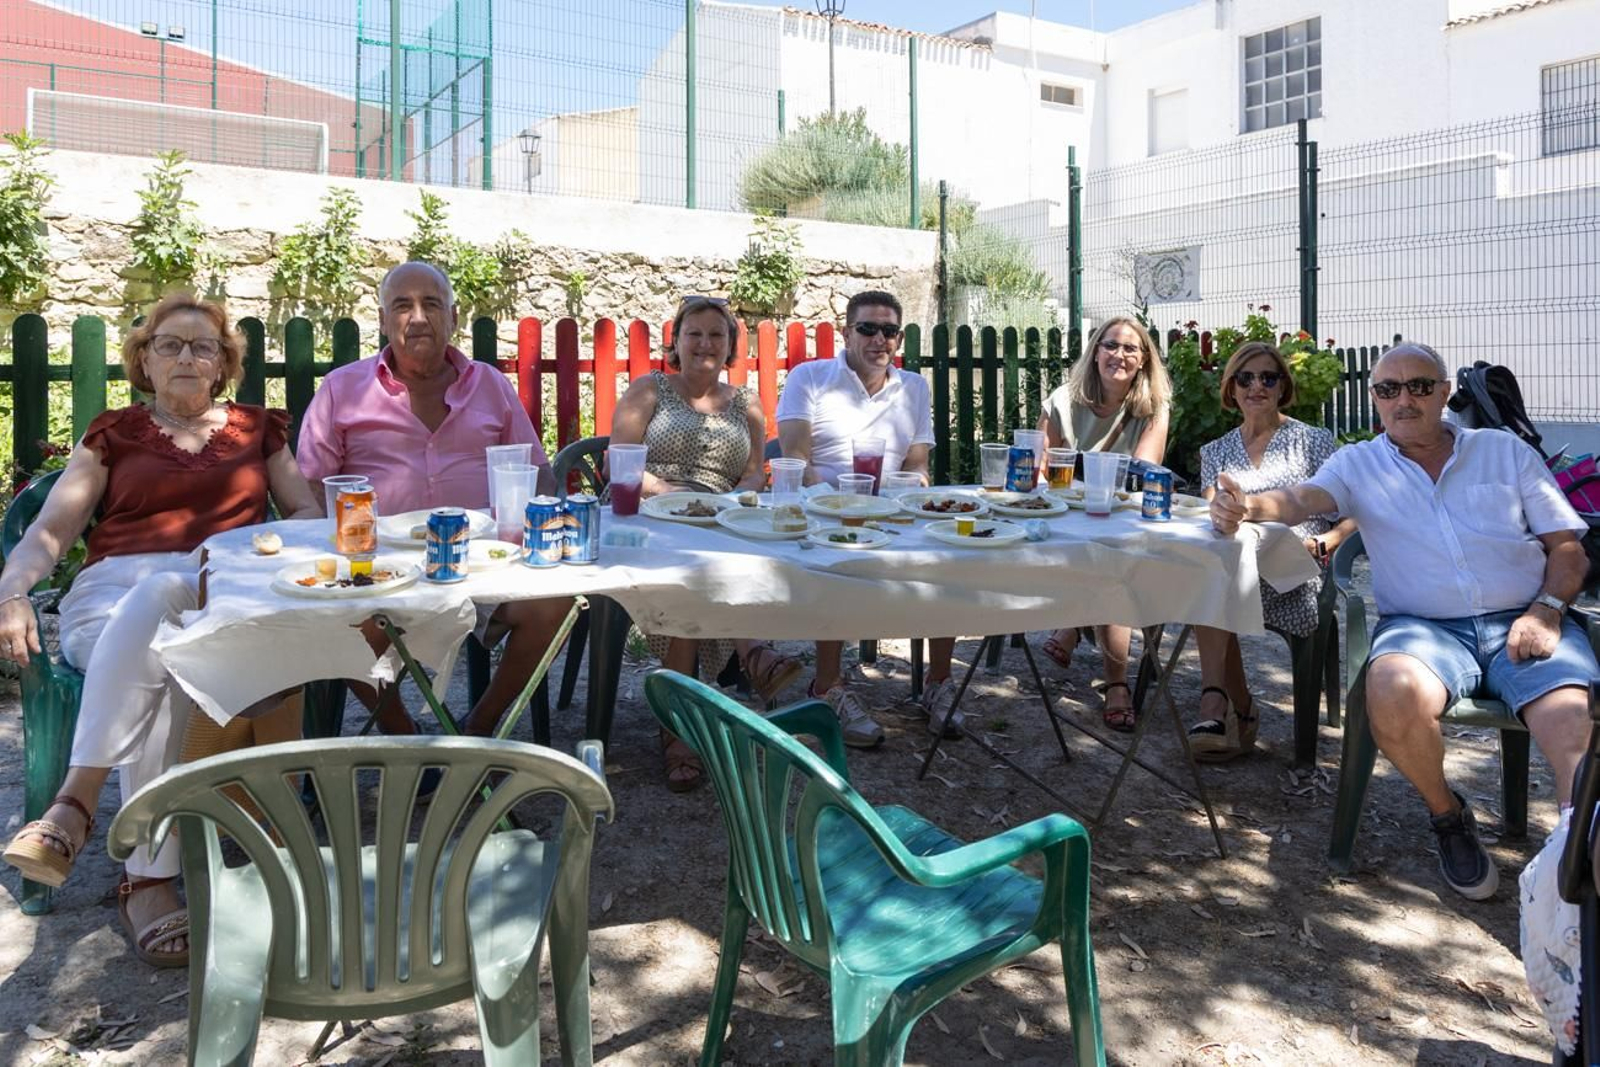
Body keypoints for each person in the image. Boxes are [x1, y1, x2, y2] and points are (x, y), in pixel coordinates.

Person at [1210, 342, 1597, 900]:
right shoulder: (1359, 463)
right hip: (1424, 629)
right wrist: (1248, 506)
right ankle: (1448, 816)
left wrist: (1548, 609)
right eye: (1389, 389)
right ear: (1375, 399)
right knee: (1390, 691)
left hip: (1525, 621)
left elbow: (1567, 548)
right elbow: (1300, 499)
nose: (1404, 400)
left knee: (1576, 729)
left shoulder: (1503, 451)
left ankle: (1576, 850)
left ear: (1443, 393)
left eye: (1419, 386)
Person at [0, 294, 320, 966]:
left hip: (222, 593)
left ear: (223, 364)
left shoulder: (259, 431)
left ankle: (78, 807)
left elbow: (307, 517)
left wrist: (258, 552)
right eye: (169, 344)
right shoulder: (111, 433)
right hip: (112, 596)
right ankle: (147, 876)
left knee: (175, 632)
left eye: (202, 346)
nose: (185, 357)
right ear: (144, 360)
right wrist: (12, 590)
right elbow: (52, 530)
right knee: (164, 638)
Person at [296, 261, 570, 739]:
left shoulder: (490, 385)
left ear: (454, 317)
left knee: (555, 603)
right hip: (379, 567)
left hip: (482, 565)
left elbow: (538, 472)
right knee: (339, 624)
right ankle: (405, 736)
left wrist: (534, 529)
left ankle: (479, 727)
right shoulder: (343, 389)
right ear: (383, 320)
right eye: (402, 305)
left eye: (432, 304)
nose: (418, 317)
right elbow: (312, 486)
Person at [610, 295, 804, 790]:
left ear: (730, 345)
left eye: (716, 334)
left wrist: (729, 502)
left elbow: (752, 474)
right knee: (692, 570)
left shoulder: (747, 403)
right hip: (652, 511)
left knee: (719, 557)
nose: (704, 343)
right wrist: (668, 493)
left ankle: (679, 727)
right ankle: (753, 656)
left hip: (720, 515)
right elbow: (621, 460)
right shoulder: (649, 389)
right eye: (693, 333)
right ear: (675, 342)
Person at [776, 290, 964, 746]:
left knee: (948, 558)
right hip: (822, 509)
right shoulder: (811, 377)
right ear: (846, 333)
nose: (879, 339)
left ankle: (938, 683)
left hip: (892, 511)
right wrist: (843, 503)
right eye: (868, 328)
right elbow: (796, 460)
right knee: (839, 562)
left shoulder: (913, 387)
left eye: (889, 331)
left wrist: (908, 489)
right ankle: (827, 686)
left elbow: (918, 464)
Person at [1191, 341, 1358, 761]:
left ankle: (1231, 710)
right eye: (1245, 378)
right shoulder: (1215, 452)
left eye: (1268, 377)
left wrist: (1326, 542)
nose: (1257, 387)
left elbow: (1356, 513)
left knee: (1212, 583)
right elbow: (1213, 513)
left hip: (1298, 572)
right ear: (1231, 388)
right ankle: (1225, 703)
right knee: (1211, 577)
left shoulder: (1313, 441)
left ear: (1283, 386)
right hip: (1237, 568)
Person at [1036, 316, 1172, 732]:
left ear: (1144, 359)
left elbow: (1143, 471)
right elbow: (1040, 468)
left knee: (1114, 559)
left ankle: (1088, 648)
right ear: (1095, 352)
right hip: (1064, 516)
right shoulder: (1064, 401)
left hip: (1120, 518)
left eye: (1131, 348)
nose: (1119, 354)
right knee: (1108, 560)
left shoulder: (1153, 407)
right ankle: (1114, 682)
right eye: (1111, 345)